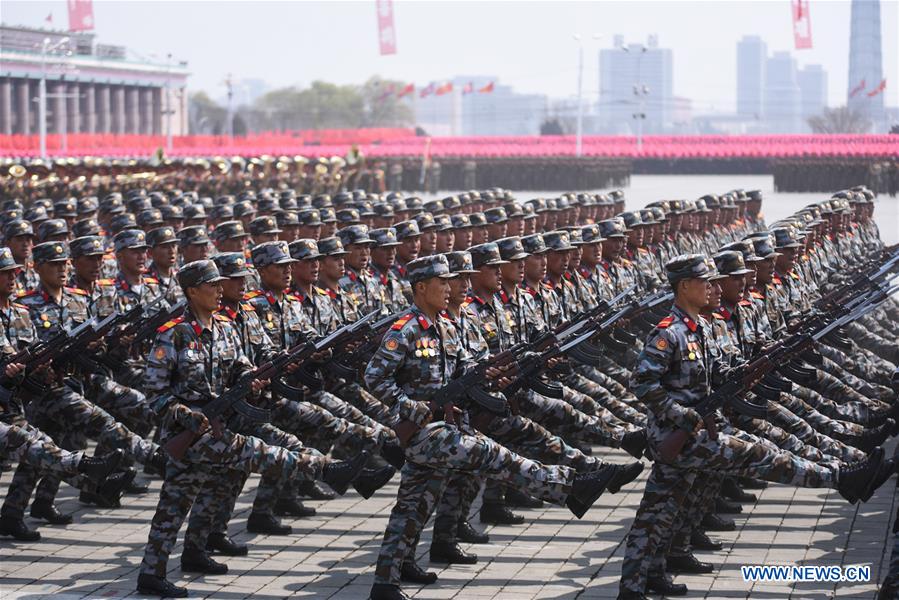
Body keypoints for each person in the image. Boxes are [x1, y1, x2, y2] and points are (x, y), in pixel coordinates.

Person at [366, 254, 641, 600]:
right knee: (494, 455)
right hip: (424, 431)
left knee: (414, 501)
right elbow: (374, 377)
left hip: (448, 426)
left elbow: (469, 370)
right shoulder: (404, 330)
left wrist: (501, 370)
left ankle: (387, 578)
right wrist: (411, 406)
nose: (449, 289)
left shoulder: (446, 326)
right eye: (442, 283)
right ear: (422, 287)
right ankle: (571, 486)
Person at [617, 254, 890, 600]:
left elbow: (709, 378)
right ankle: (841, 478)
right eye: (704, 282)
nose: (711, 288)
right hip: (680, 437)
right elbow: (642, 383)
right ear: (684, 286)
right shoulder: (668, 333)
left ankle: (645, 577)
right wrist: (682, 416)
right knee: (760, 456)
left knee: (660, 509)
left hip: (697, 434)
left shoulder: (697, 329)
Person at [136, 259, 372, 598]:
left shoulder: (224, 327)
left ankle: (174, 561)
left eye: (221, 284)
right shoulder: (172, 334)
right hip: (188, 435)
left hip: (218, 426)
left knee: (180, 500)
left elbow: (240, 370)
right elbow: (154, 396)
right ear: (191, 291)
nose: (220, 290)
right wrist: (185, 415)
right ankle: (329, 470)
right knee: (260, 453)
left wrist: (253, 382)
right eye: (212, 285)